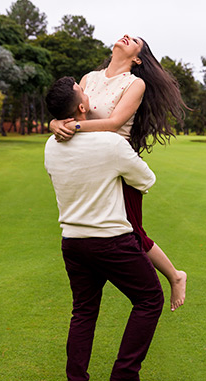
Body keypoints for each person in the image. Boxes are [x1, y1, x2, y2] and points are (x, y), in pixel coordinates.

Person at [44, 76, 163, 381]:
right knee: (150, 298)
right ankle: (125, 374)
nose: (89, 93)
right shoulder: (111, 143)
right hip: (111, 241)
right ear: (82, 108)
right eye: (84, 92)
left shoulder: (51, 145)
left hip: (73, 241)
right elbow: (146, 179)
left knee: (83, 312)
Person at [49, 34, 188, 312]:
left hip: (119, 164)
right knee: (118, 231)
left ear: (137, 58)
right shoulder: (88, 78)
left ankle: (174, 275)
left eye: (135, 40)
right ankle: (170, 275)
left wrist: (72, 127)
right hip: (90, 163)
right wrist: (54, 121)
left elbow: (113, 123)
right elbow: (72, 109)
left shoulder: (134, 83)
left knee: (133, 231)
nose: (126, 36)